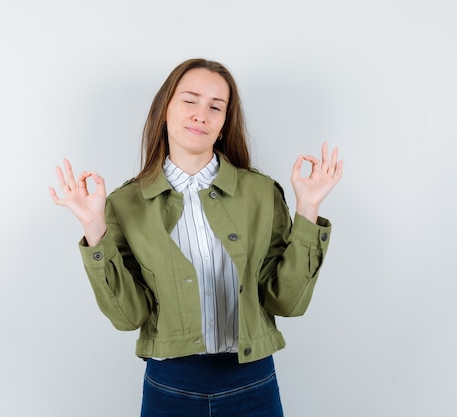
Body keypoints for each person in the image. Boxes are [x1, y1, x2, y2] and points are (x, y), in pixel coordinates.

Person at [49, 58, 343, 417]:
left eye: (215, 107)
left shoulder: (262, 194)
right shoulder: (125, 204)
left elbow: (287, 303)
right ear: (164, 111)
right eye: (190, 100)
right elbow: (128, 317)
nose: (201, 114)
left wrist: (308, 208)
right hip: (169, 386)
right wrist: (94, 227)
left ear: (222, 125)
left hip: (252, 382)